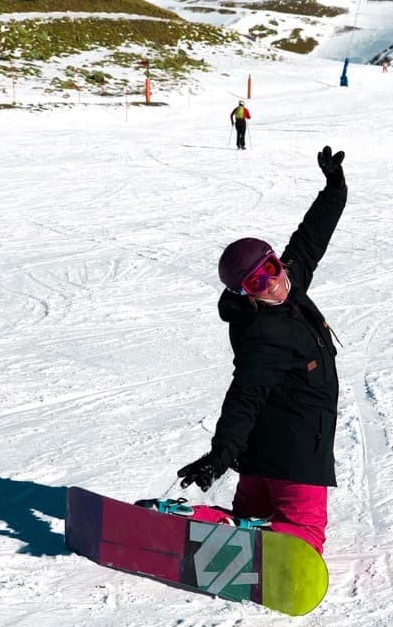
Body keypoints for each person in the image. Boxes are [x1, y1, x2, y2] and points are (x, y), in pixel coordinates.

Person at [142, 147, 347, 555]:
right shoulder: (263, 333)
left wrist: (334, 189)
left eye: (270, 270)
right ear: (243, 293)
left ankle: (205, 523)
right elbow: (245, 392)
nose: (270, 284)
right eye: (255, 283)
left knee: (248, 517)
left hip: (261, 457)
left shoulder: (288, 281)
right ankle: (206, 525)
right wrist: (221, 453)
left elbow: (311, 238)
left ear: (275, 261)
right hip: (295, 457)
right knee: (305, 536)